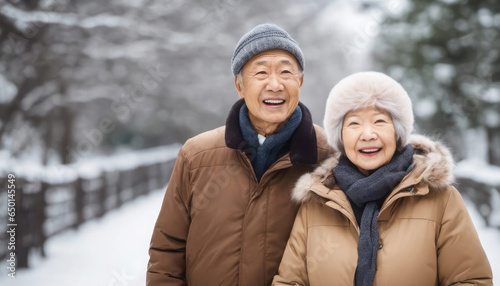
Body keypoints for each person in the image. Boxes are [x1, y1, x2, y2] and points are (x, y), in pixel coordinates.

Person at [147, 23, 332, 286]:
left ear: (300, 81)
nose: (275, 84)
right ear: (239, 85)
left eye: (286, 72)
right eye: (261, 72)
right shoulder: (196, 155)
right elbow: (167, 248)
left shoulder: (328, 156)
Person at [273, 71, 493, 286]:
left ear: (397, 132)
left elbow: (471, 279)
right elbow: (290, 281)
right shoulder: (318, 200)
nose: (367, 134)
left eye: (379, 121)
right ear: (340, 137)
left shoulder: (439, 199)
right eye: (354, 124)